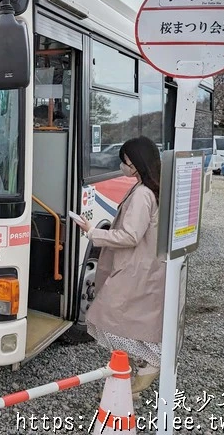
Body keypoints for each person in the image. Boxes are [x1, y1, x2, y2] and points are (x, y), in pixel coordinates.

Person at [74, 136, 164, 395]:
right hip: (139, 268)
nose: (122, 166)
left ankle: (151, 362)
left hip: (135, 268)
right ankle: (142, 367)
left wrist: (93, 232)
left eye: (124, 161)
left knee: (106, 321)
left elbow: (130, 235)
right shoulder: (146, 189)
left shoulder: (143, 194)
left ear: (135, 164)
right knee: (126, 322)